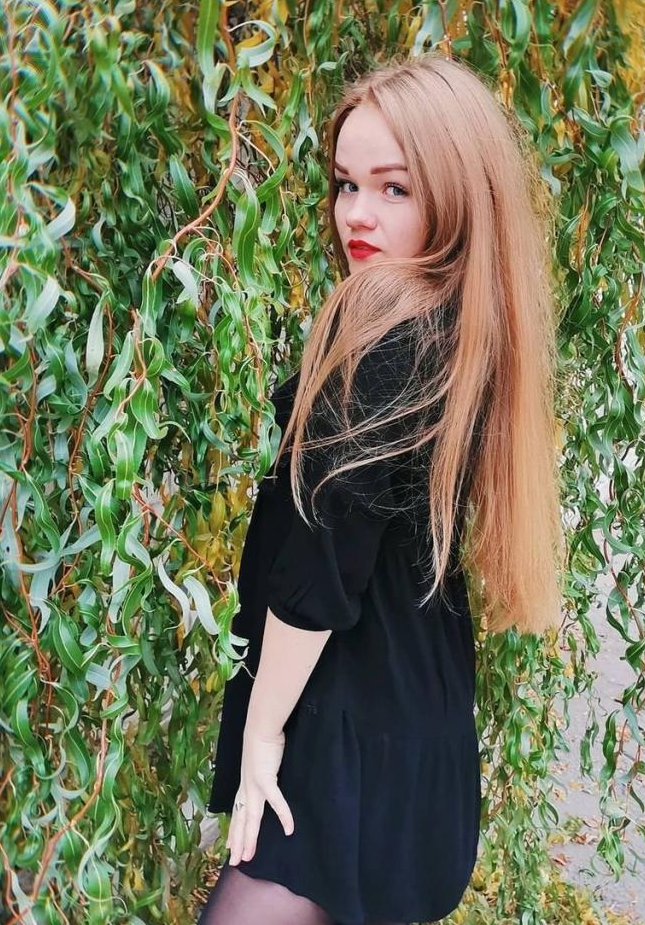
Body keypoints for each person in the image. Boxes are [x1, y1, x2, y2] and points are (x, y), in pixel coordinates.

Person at [197, 53, 565, 925]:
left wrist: (261, 732)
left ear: (457, 195)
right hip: (412, 716)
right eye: (346, 184)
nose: (356, 214)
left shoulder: (386, 338)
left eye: (394, 189)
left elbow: (322, 572)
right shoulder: (461, 323)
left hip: (346, 730)